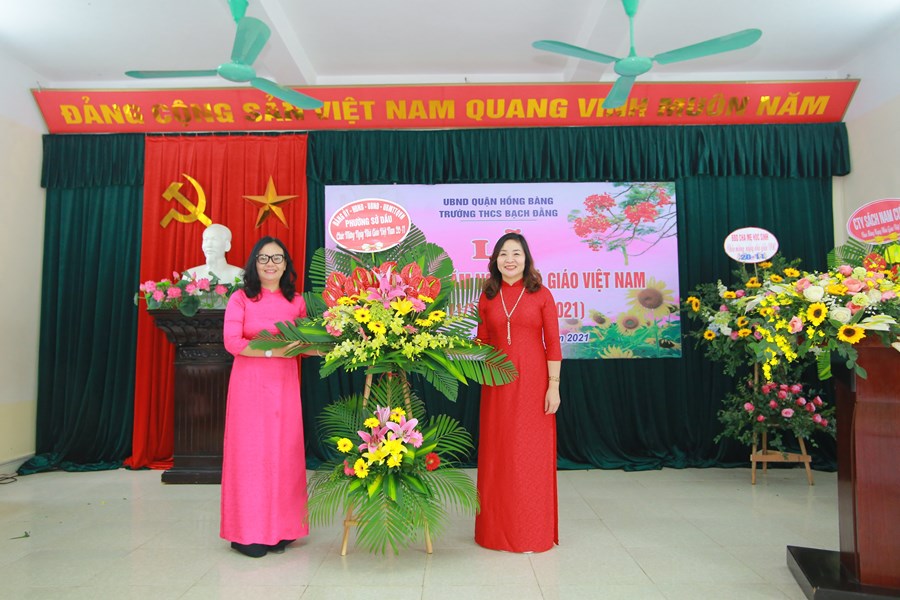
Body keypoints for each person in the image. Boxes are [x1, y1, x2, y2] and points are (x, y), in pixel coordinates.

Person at [220, 236, 311, 558]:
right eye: (263, 258)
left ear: (286, 265)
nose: (270, 264)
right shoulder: (241, 298)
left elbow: (304, 345)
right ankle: (247, 533)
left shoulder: (297, 302)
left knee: (283, 454)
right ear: (254, 264)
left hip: (284, 388)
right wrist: (274, 351)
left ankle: (282, 529)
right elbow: (232, 342)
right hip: (249, 386)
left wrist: (336, 341)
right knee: (250, 457)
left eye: (277, 258)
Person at [474, 232, 562, 553]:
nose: (509, 260)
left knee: (530, 456)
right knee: (499, 454)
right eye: (503, 254)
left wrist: (554, 387)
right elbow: (482, 341)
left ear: (526, 259)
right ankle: (494, 533)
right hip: (496, 385)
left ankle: (531, 531)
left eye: (516, 254)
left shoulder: (542, 294)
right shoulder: (488, 296)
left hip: (535, 385)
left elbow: (553, 344)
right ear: (495, 260)